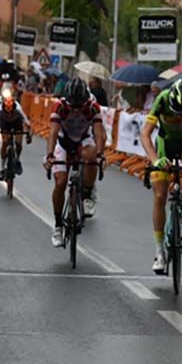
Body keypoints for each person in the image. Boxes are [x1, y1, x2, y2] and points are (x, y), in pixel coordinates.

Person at [139, 79, 182, 273]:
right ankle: (159, 251)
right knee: (160, 195)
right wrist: (155, 160)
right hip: (165, 145)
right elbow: (145, 134)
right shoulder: (162, 100)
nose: (180, 116)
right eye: (176, 112)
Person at [44, 77, 107, 246]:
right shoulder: (60, 106)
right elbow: (53, 132)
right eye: (73, 106)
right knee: (60, 183)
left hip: (83, 140)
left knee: (91, 156)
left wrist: (100, 155)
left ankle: (87, 193)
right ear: (67, 101)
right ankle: (58, 226)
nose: (77, 110)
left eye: (80, 106)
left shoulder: (93, 106)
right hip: (64, 143)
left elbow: (98, 132)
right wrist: (49, 155)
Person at [0, 86, 31, 181]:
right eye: (7, 113)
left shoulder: (18, 109)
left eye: (11, 113)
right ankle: (2, 168)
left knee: (18, 143)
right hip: (5, 124)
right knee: (5, 142)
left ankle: (17, 159)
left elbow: (29, 125)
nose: (9, 115)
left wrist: (29, 136)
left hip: (17, 123)